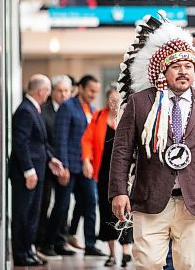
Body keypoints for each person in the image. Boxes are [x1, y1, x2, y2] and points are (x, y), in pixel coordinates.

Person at [109, 13, 195, 270]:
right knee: (147, 263)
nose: (183, 72)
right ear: (163, 71)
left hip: (194, 201)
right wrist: (118, 192)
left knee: (190, 266)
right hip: (150, 200)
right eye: (176, 66)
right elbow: (122, 151)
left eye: (188, 66)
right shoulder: (140, 102)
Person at [40, 75, 107, 258]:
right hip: (69, 165)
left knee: (90, 204)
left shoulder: (92, 110)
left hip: (85, 167)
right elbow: (61, 138)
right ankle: (48, 244)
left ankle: (90, 244)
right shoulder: (67, 107)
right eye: (91, 91)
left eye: (96, 92)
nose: (94, 95)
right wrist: (64, 167)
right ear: (81, 88)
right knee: (61, 205)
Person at [9, 74, 64, 266]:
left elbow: (39, 143)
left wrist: (51, 159)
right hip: (27, 174)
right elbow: (20, 142)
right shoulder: (25, 110)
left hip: (38, 169)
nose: (48, 94)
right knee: (23, 214)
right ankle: (21, 254)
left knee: (33, 214)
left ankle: (28, 250)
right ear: (41, 91)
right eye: (48, 90)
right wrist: (28, 171)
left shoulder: (33, 109)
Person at [81, 85, 133, 268]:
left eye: (117, 101)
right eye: (111, 100)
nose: (114, 104)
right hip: (104, 173)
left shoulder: (129, 117)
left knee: (126, 210)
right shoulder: (98, 117)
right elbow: (86, 140)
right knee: (106, 210)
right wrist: (86, 160)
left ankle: (126, 251)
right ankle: (112, 254)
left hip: (126, 173)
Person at [35, 75, 84, 255]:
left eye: (66, 91)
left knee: (64, 205)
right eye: (60, 91)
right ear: (52, 92)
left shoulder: (72, 109)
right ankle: (41, 242)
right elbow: (43, 139)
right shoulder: (43, 110)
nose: (64, 94)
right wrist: (53, 160)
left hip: (66, 165)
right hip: (47, 165)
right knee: (46, 203)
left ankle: (60, 241)